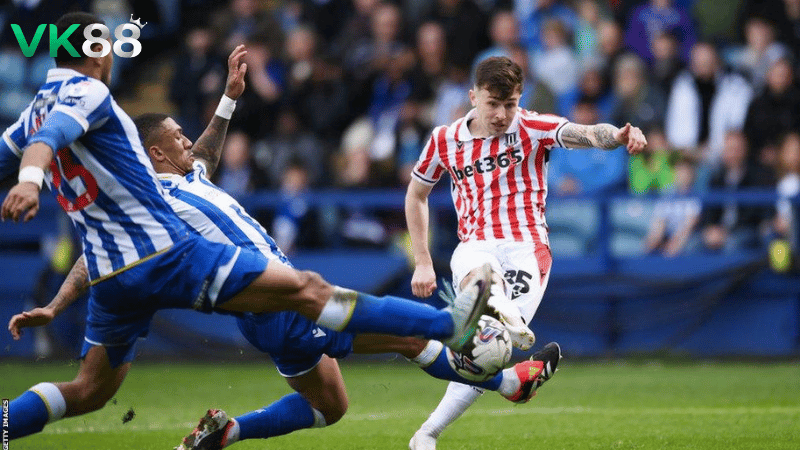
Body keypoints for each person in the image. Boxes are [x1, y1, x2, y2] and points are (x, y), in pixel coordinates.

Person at [0, 12, 490, 441]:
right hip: (166, 256)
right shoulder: (86, 92)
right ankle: (448, 324)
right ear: (96, 51)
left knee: (87, 390)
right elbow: (53, 136)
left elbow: (44, 157)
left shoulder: (32, 112)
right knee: (310, 290)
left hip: (114, 274)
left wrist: (56, 304)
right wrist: (29, 180)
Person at [9, 110, 561, 450]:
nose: (187, 141)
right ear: (155, 153)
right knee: (401, 334)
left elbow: (202, 154)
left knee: (330, 405)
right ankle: (475, 348)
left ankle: (229, 432)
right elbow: (98, 252)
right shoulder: (151, 198)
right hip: (271, 300)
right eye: (176, 136)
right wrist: (58, 300)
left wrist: (229, 100)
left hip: (264, 305)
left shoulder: (188, 176)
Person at [405, 56, 646, 450]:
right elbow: (416, 195)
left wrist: (619, 136)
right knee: (478, 271)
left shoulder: (532, 127)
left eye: (510, 104)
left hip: (527, 251)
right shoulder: (444, 140)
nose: (502, 115)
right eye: (493, 104)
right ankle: (498, 306)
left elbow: (587, 133)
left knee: (488, 355)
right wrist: (422, 261)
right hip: (476, 244)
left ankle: (426, 434)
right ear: (473, 97)